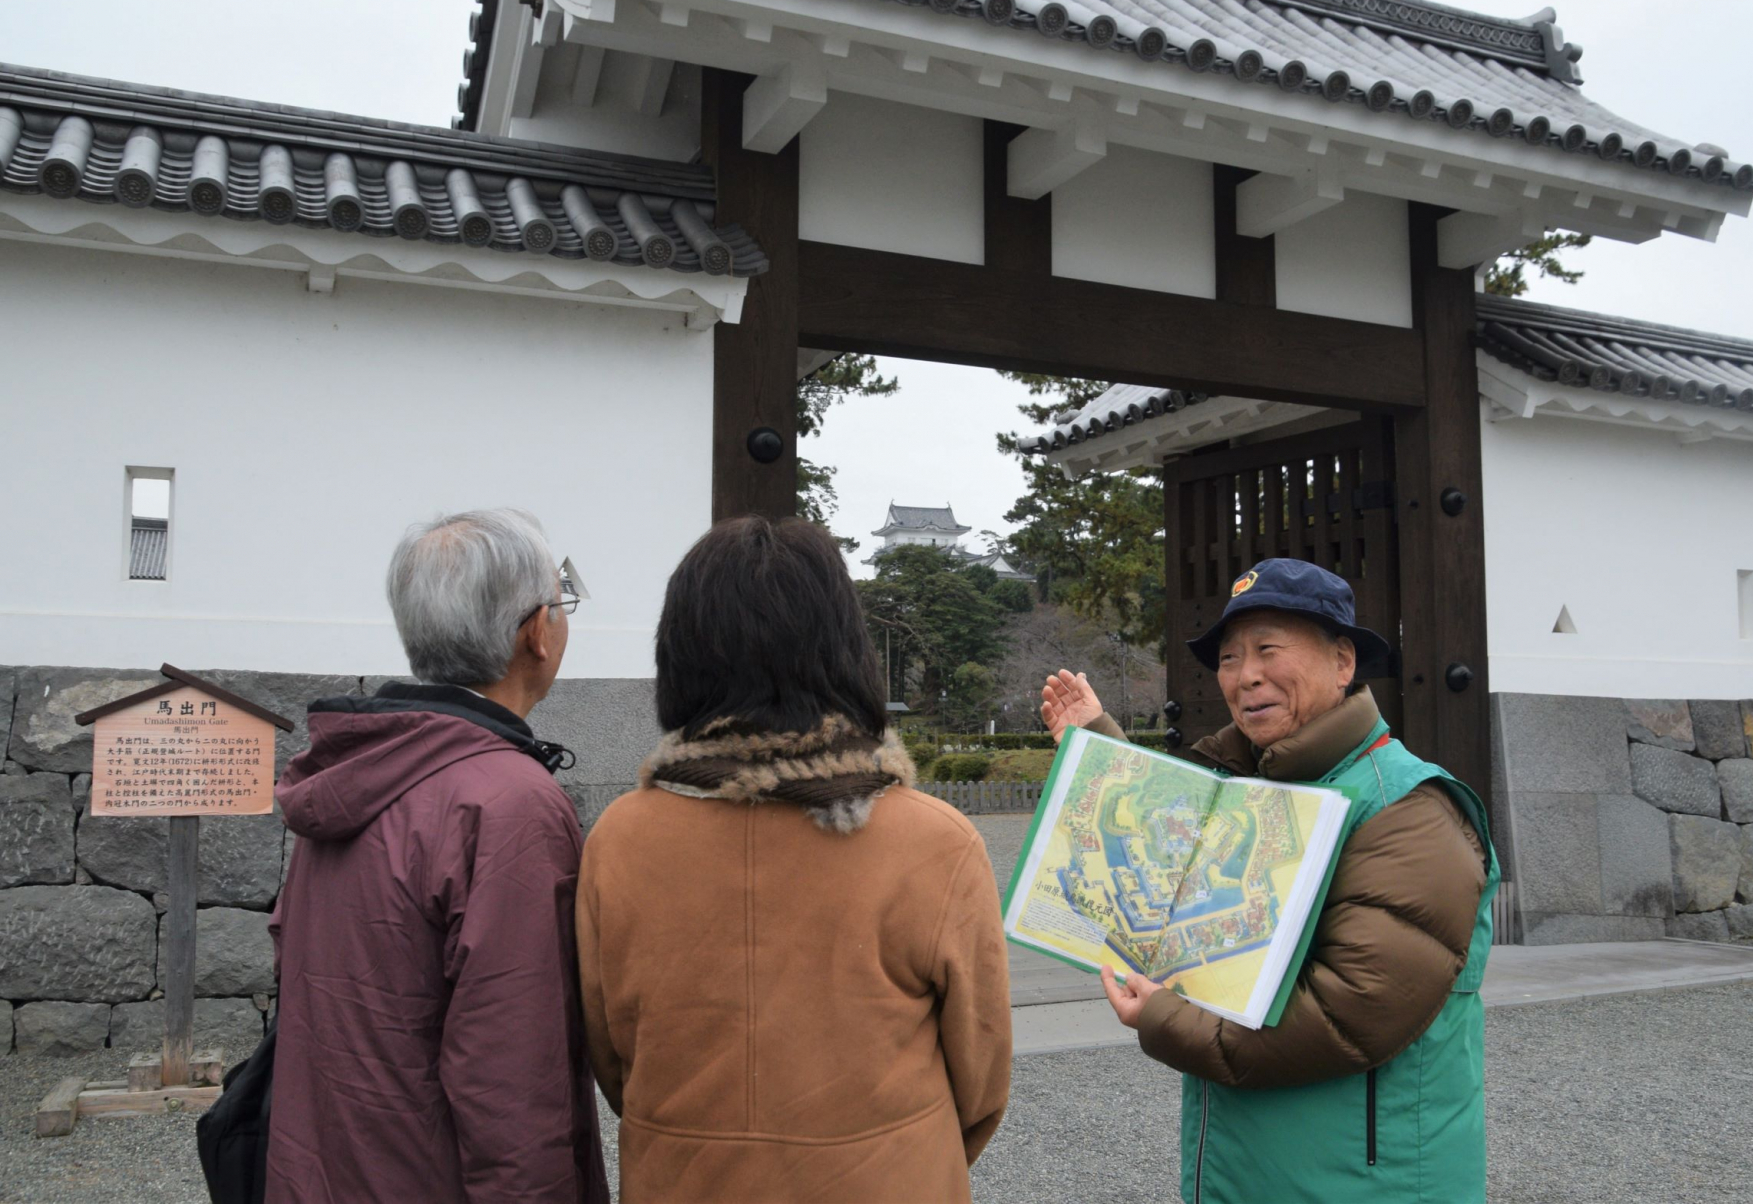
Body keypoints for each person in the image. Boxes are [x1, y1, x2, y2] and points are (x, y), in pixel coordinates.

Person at [577, 516, 1012, 1203]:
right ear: (844, 650)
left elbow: (613, 1057)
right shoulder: (936, 841)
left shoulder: (620, 837)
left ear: (681, 652)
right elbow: (981, 1076)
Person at [1042, 557, 1500, 1203]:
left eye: (1267, 649)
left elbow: (1349, 1013)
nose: (1244, 674)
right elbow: (1168, 853)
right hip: (1252, 1173)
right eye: (1229, 657)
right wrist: (1100, 746)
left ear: (1343, 663)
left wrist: (1166, 1019)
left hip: (1368, 1185)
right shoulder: (1250, 789)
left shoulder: (1406, 807)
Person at [268, 509, 608, 1204]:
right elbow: (513, 1082)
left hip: (320, 1173)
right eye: (560, 600)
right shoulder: (505, 802)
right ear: (536, 633)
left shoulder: (348, 770)